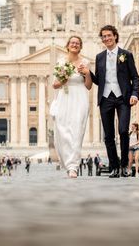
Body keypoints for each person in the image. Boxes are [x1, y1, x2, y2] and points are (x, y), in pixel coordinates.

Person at [89, 25, 139, 178]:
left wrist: (135, 94)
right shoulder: (99, 57)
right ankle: (114, 167)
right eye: (104, 36)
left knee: (123, 131)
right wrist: (88, 73)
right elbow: (100, 80)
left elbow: (135, 77)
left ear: (115, 36)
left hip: (123, 97)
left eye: (109, 35)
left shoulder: (126, 54)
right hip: (106, 98)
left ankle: (124, 165)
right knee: (108, 135)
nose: (107, 38)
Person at [50, 35, 92, 179]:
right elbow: (54, 84)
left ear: (80, 46)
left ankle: (73, 166)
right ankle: (68, 164)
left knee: (76, 131)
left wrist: (87, 74)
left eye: (77, 43)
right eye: (72, 43)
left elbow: (88, 86)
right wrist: (64, 78)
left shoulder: (86, 62)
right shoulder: (61, 62)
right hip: (64, 97)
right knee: (62, 130)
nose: (74, 45)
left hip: (80, 97)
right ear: (67, 45)